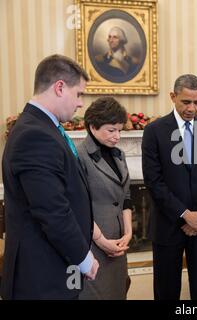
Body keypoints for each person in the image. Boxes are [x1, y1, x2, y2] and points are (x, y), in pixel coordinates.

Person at [1, 54, 99, 299]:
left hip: (53, 267)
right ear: (59, 87)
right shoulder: (35, 135)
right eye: (79, 94)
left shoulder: (42, 127)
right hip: (41, 276)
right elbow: (53, 211)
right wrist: (84, 259)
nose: (80, 104)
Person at [142, 74, 197, 300]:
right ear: (173, 97)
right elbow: (154, 181)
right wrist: (184, 215)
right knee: (166, 290)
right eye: (186, 102)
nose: (192, 108)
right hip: (168, 225)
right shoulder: (154, 131)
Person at [77, 97, 132, 300]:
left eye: (120, 130)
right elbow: (77, 207)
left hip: (117, 242)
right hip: (92, 241)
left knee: (117, 292)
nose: (117, 136)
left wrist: (128, 231)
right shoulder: (79, 156)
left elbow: (125, 196)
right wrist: (101, 241)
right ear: (92, 126)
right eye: (111, 130)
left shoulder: (119, 155)